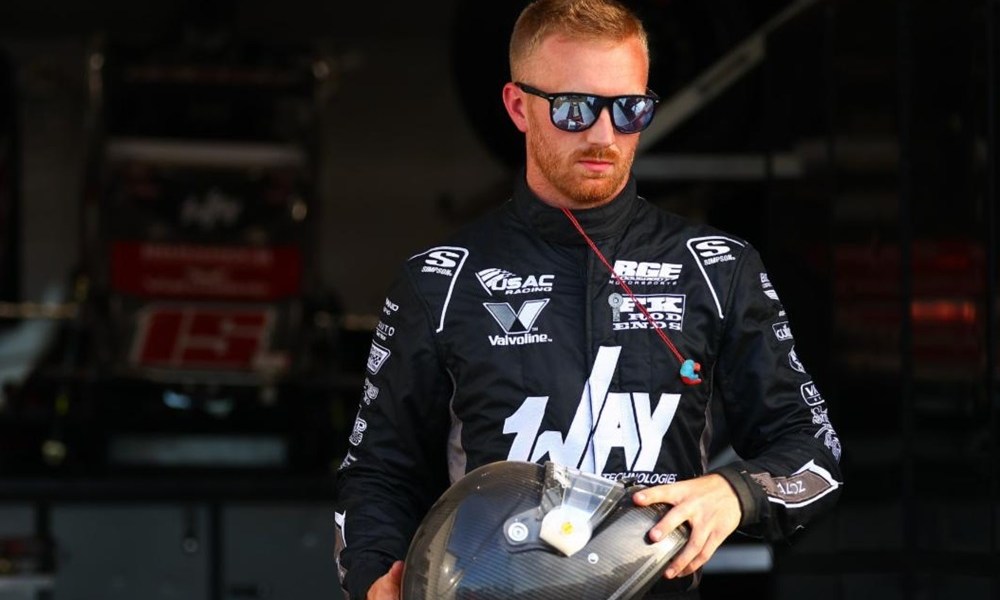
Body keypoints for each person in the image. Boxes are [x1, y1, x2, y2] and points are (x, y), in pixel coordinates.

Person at [333, 0, 844, 598]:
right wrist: (375, 578)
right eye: (575, 109)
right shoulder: (441, 281)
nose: (604, 135)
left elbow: (813, 452)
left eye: (629, 109)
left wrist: (736, 492)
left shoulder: (717, 267)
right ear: (518, 106)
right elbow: (376, 475)